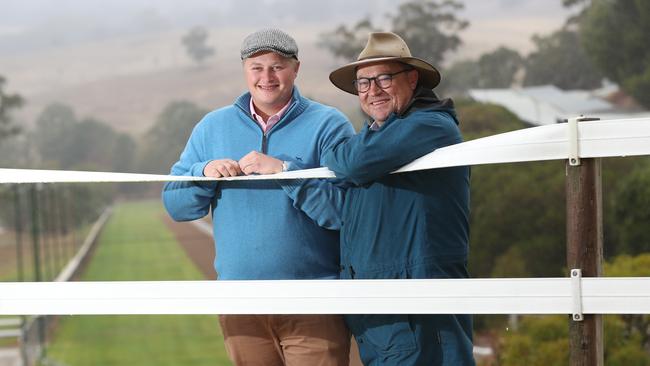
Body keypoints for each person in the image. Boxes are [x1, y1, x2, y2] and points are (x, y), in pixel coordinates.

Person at [162, 28, 354, 366]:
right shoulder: (212, 127)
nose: (266, 76)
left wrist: (286, 172)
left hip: (313, 302)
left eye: (277, 66)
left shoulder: (329, 124)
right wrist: (203, 173)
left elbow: (344, 213)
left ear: (296, 69)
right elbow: (175, 206)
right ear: (244, 70)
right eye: (257, 66)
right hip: (240, 303)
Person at [280, 32, 475, 365]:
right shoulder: (383, 135)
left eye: (384, 78)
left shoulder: (429, 124)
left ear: (412, 79)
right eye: (363, 83)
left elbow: (348, 160)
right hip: (383, 306)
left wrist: (300, 166)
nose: (373, 91)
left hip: (412, 306)